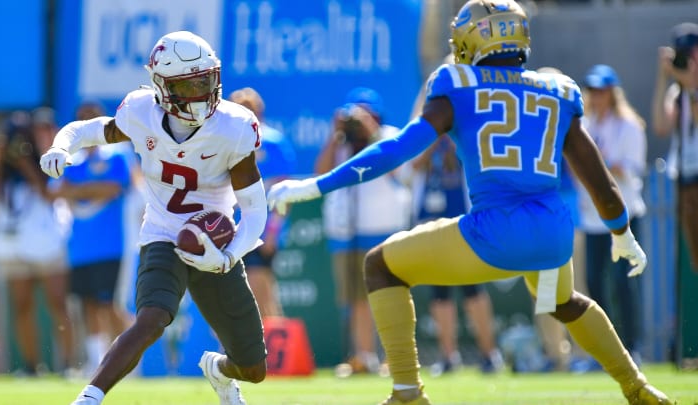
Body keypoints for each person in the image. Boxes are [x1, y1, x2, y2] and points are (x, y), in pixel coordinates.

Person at [267, 1, 671, 404]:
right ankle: (637, 386)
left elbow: (397, 150)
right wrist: (622, 233)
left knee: (380, 266)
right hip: (552, 234)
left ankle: (408, 392)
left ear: (474, 39)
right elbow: (598, 179)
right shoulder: (558, 90)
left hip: (494, 231)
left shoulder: (457, 84)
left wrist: (318, 185)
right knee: (563, 303)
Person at [40, 31, 268, 405]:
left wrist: (227, 256)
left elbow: (255, 208)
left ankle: (219, 370)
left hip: (215, 240)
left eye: (205, 80)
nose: (200, 92)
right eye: (189, 84)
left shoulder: (233, 126)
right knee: (152, 318)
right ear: (162, 87)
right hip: (163, 232)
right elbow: (88, 129)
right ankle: (89, 397)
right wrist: (61, 146)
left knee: (254, 369)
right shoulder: (141, 111)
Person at [314, 87, 412, 377]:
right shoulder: (342, 142)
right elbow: (321, 173)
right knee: (355, 297)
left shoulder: (389, 135)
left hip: (383, 227)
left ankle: (393, 358)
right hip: (346, 230)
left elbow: (402, 174)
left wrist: (371, 133)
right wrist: (335, 135)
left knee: (388, 294)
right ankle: (364, 356)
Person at [410, 80, 503, 376]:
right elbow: (413, 166)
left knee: (472, 287)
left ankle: (490, 354)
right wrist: (433, 141)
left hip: (465, 218)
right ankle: (448, 356)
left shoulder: (468, 125)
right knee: (440, 291)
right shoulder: (426, 127)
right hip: (433, 220)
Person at [0, 110, 76, 376]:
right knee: (22, 306)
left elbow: (49, 194)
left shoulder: (47, 160)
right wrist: (2, 158)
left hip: (47, 242)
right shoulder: (1, 168)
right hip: (13, 246)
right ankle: (31, 366)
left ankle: (69, 364)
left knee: (58, 303)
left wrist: (26, 163)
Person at [52, 101, 134, 376]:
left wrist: (79, 190)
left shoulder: (117, 155)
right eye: (81, 119)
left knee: (110, 305)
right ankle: (96, 362)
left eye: (92, 119)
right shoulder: (72, 159)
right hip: (80, 248)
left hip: (111, 245)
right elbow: (58, 191)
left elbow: (112, 188)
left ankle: (129, 361)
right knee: (87, 305)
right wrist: (86, 190)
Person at [577, 64, 647, 366]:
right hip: (592, 218)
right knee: (593, 283)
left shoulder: (629, 126)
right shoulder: (585, 125)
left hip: (624, 215)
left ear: (612, 93)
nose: (597, 96)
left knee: (622, 283)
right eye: (593, 91)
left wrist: (601, 164)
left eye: (602, 90)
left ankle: (633, 347)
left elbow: (631, 170)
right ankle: (604, 351)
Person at [228, 87, 296, 318]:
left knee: (260, 292)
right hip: (229, 231)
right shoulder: (226, 144)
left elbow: (284, 193)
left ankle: (273, 349)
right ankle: (231, 351)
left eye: (250, 110)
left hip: (260, 231)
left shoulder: (273, 143)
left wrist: (273, 233)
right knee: (231, 296)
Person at [651, 22, 698, 272]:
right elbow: (661, 125)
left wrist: (690, 84)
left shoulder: (690, 89)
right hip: (685, 179)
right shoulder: (677, 91)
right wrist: (663, 77)